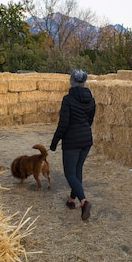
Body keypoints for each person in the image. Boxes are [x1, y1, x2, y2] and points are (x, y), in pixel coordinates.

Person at [50, 69, 96, 220]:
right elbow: (90, 120)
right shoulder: (91, 99)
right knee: (77, 170)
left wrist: (54, 141)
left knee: (69, 173)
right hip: (86, 139)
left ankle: (84, 201)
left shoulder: (68, 99)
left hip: (72, 141)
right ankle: (71, 200)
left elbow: (63, 123)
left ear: (72, 82)